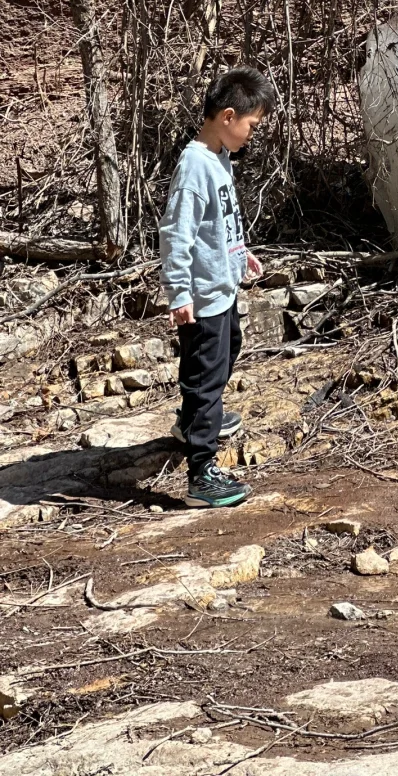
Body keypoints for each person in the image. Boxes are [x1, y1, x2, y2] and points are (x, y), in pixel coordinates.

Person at [159, 67, 276, 507]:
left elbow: (221, 222)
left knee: (228, 347)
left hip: (221, 285)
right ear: (228, 116)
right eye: (252, 125)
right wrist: (180, 293)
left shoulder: (220, 158)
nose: (252, 135)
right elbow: (177, 234)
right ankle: (201, 475)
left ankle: (194, 422)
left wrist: (238, 253)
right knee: (207, 377)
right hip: (202, 296)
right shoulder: (194, 168)